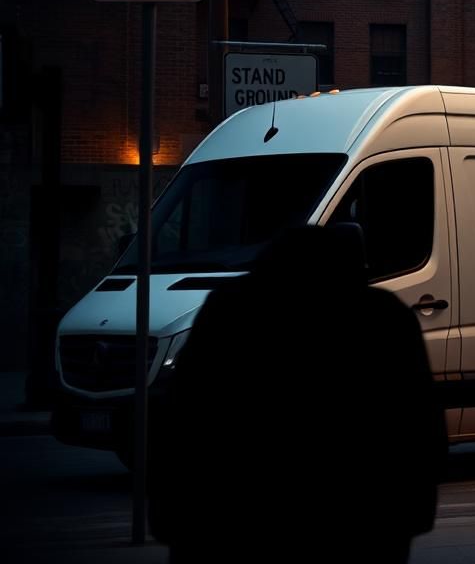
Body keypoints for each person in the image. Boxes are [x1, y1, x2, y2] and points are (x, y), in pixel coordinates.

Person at [149, 224, 446, 563]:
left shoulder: (232, 308)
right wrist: (413, 512)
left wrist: (170, 512)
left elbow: (186, 412)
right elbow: (419, 422)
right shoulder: (383, 315)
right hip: (364, 516)